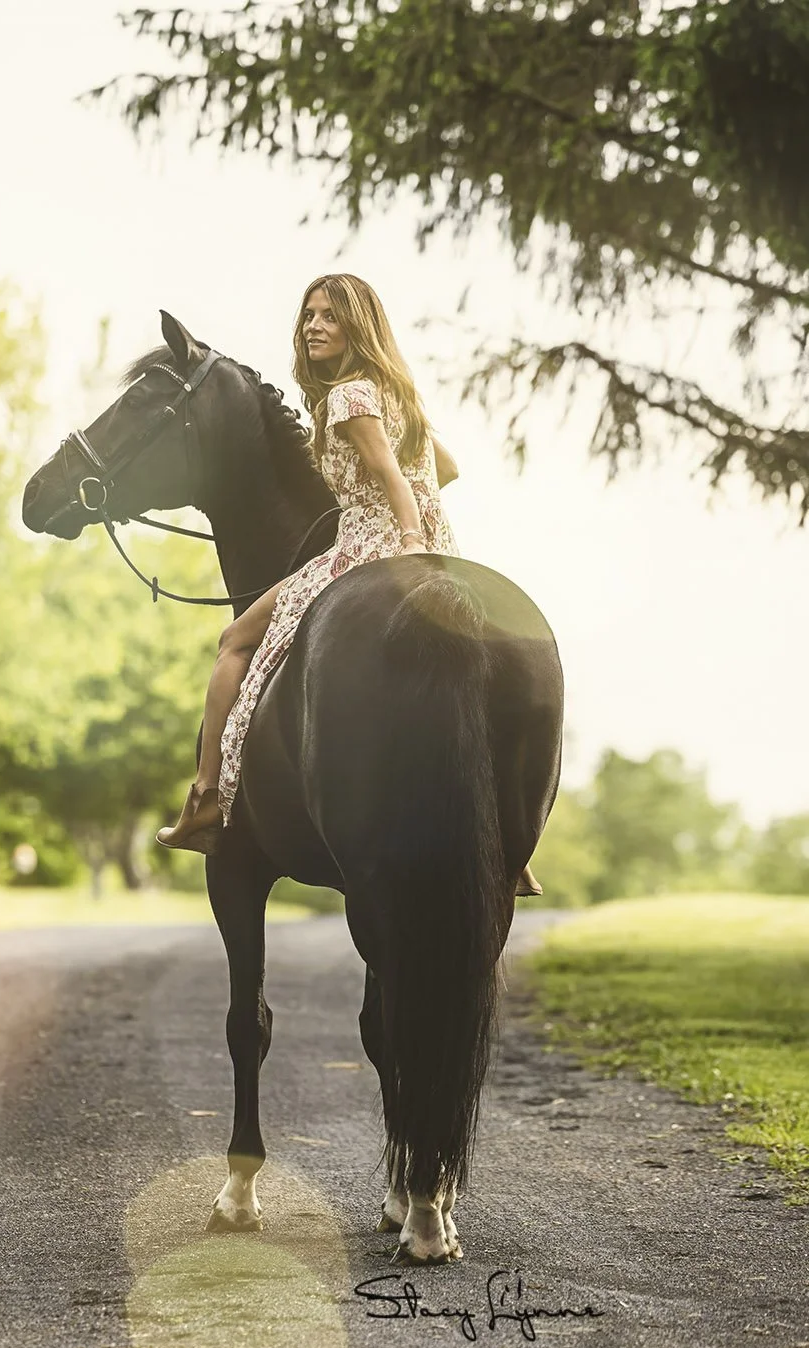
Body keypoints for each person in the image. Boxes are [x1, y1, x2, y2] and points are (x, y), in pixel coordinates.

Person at [156, 273, 542, 897]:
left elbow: (389, 473)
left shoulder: (346, 396)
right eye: (308, 314)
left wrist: (403, 536)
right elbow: (446, 467)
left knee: (235, 642)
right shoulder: (397, 395)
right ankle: (508, 841)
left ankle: (205, 798)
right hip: (442, 551)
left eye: (330, 316)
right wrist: (424, 529)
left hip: (370, 549)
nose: (314, 325)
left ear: (357, 326)